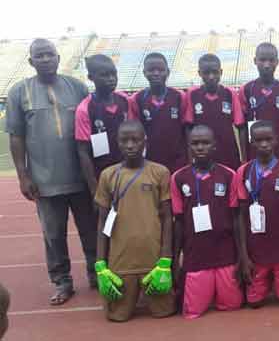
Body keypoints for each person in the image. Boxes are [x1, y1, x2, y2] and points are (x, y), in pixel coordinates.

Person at [4, 38, 97, 305]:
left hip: (80, 177)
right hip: (45, 181)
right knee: (53, 235)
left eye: (49, 54)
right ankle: (62, 281)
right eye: (39, 56)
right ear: (31, 61)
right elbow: (16, 137)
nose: (45, 59)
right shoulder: (19, 92)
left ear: (58, 58)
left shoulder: (77, 87)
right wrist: (23, 175)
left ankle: (95, 273)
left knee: (90, 229)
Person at [94, 120, 176, 321]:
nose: (130, 145)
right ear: (117, 142)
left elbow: (167, 218)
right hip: (121, 262)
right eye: (124, 140)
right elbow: (102, 222)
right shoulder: (108, 175)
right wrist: (100, 265)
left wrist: (166, 260)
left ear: (144, 142)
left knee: (164, 313)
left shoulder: (160, 172)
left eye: (135, 140)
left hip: (154, 261)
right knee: (117, 317)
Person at [171, 125, 245, 319]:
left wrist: (241, 256)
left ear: (214, 146)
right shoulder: (179, 178)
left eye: (205, 143)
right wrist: (174, 260)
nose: (200, 147)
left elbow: (236, 218)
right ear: (189, 147)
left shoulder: (229, 175)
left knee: (233, 306)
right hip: (196, 257)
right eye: (195, 143)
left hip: (225, 255)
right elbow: (178, 221)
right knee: (192, 312)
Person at [235, 120, 279, 307]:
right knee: (254, 303)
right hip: (256, 253)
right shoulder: (243, 172)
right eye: (258, 140)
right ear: (251, 142)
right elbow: (240, 215)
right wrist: (244, 257)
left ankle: (278, 278)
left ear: (276, 140)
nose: (264, 144)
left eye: (268, 139)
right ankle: (264, 278)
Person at [76, 54, 132, 194]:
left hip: (129, 173)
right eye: (104, 75)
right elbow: (83, 151)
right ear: (91, 78)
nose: (111, 79)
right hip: (103, 176)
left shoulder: (125, 100)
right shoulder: (85, 108)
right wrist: (94, 187)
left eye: (113, 74)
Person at [130, 52, 191, 173]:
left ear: (168, 72)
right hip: (150, 162)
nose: (156, 73)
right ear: (144, 73)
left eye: (160, 70)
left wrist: (190, 159)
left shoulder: (180, 97)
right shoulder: (137, 99)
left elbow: (187, 129)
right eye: (151, 70)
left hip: (178, 161)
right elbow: (134, 134)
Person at [238, 43, 279, 164]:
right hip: (255, 150)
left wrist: (278, 137)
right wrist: (244, 156)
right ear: (255, 61)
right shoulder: (247, 89)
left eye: (271, 60)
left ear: (277, 62)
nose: (267, 65)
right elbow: (242, 127)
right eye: (262, 60)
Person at [185, 54, 242, 170]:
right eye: (206, 73)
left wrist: (244, 157)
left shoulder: (229, 94)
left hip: (228, 153)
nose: (211, 76)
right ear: (200, 73)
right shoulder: (193, 94)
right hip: (202, 155)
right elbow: (188, 127)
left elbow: (240, 125)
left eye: (215, 72)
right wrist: (190, 156)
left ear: (221, 72)